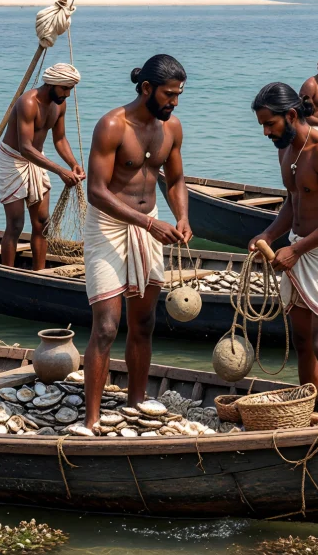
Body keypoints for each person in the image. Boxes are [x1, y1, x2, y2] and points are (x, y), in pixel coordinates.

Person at [82, 54, 192, 429]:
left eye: (178, 95)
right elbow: (96, 191)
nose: (174, 102)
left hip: (150, 225)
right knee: (108, 326)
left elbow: (175, 181)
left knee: (143, 321)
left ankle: (136, 402)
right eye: (168, 94)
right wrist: (147, 223)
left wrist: (181, 217)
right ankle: (92, 418)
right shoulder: (112, 126)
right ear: (146, 88)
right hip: (109, 227)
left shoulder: (172, 128)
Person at [248, 82, 318, 416]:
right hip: (300, 249)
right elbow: (293, 203)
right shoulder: (285, 149)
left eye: (270, 124)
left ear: (291, 115)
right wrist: (267, 234)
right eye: (263, 125)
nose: (266, 132)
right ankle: (306, 413)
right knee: (303, 342)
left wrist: (296, 251)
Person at [0, 63, 85, 270]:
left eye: (70, 89)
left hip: (37, 159)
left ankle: (40, 272)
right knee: (16, 224)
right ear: (52, 84)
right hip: (13, 161)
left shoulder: (60, 104)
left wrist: (73, 164)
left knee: (42, 223)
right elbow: (25, 148)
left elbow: (60, 139)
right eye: (65, 88)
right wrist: (60, 171)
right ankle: (7, 272)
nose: (68, 94)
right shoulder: (28, 102)